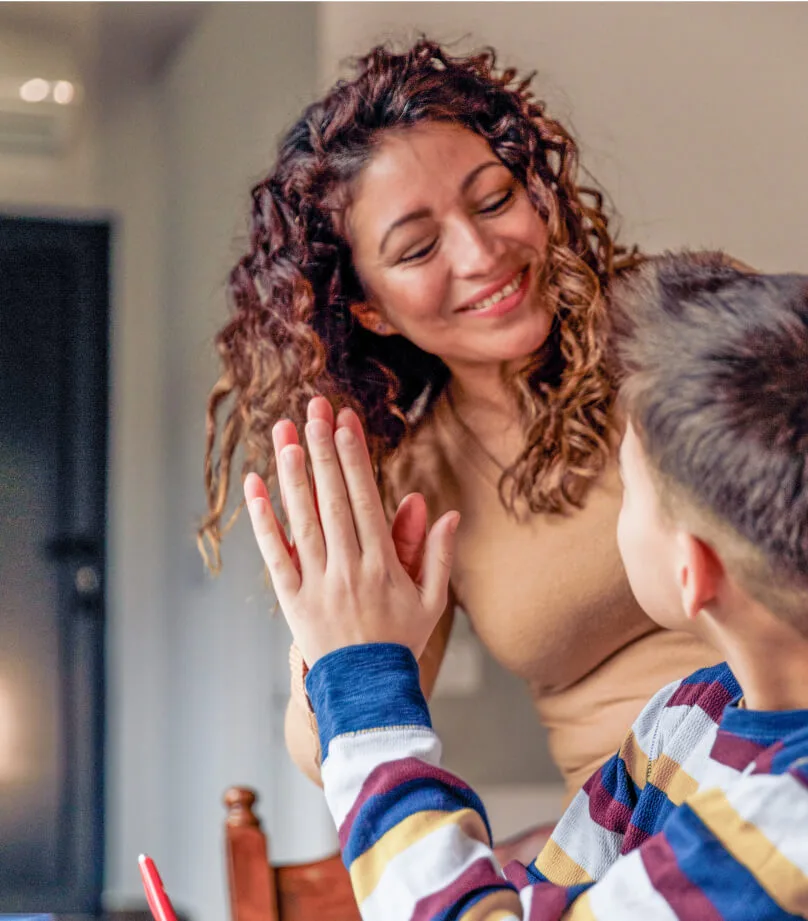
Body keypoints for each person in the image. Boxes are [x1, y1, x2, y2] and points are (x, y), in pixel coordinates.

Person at [200, 38, 717, 804]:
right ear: (367, 307)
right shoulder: (420, 478)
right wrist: (328, 642)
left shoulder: (685, 321)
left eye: (495, 199)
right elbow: (324, 750)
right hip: (630, 831)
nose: (480, 254)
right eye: (417, 248)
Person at [244, 252, 808, 919]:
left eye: (630, 487)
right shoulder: (685, 720)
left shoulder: (787, 821)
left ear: (693, 571)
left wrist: (361, 682)